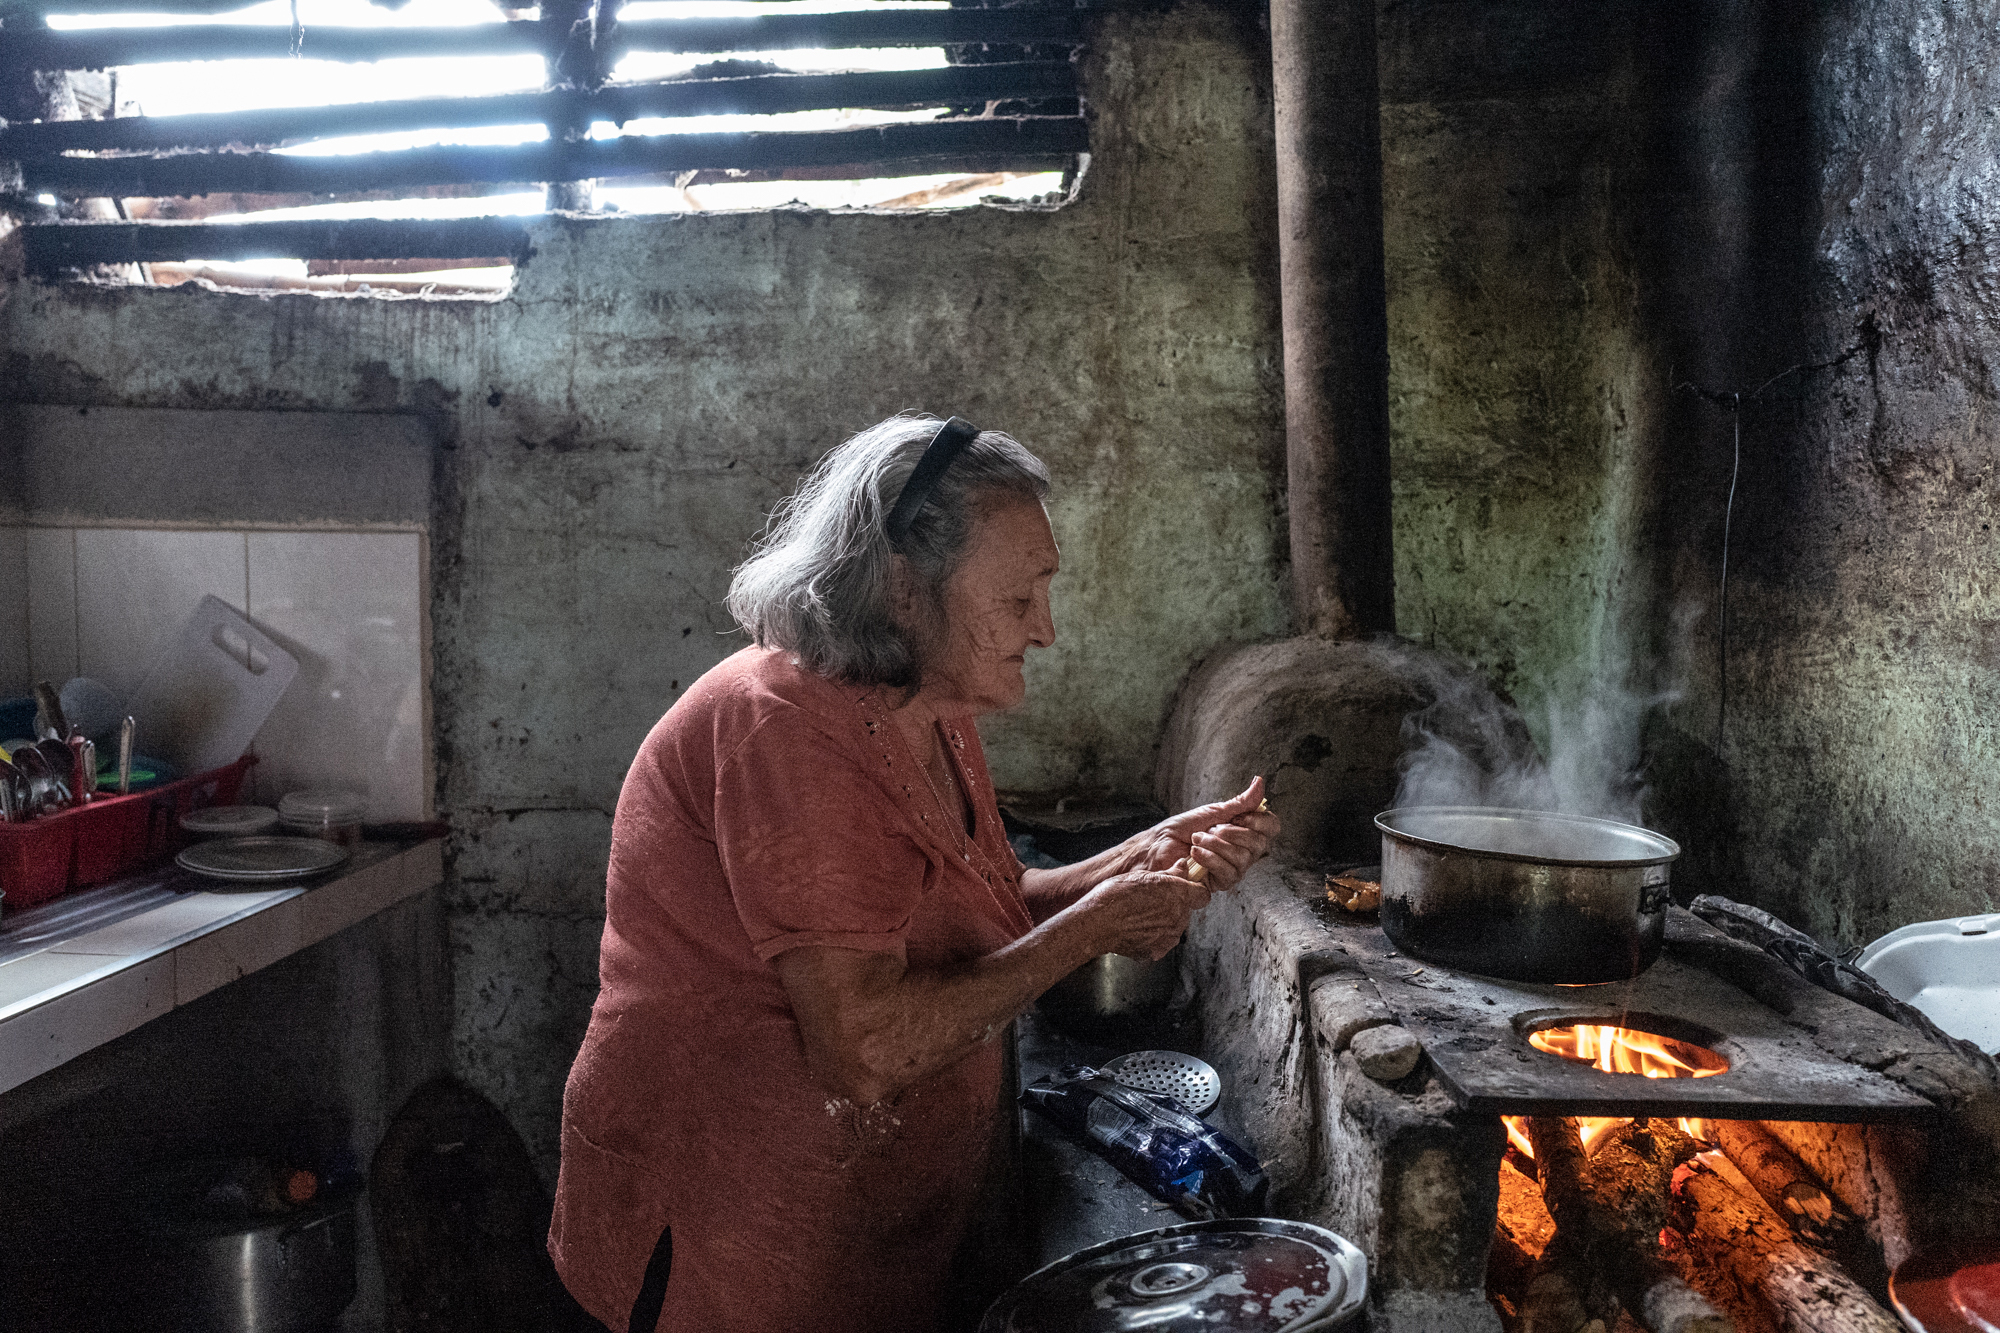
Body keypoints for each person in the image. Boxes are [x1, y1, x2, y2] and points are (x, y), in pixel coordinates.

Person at [548, 413, 1280, 1333]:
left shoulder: (921, 698)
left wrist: (1139, 859)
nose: (1046, 630)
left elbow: (980, 908)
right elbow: (865, 1050)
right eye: (1018, 602)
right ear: (904, 588)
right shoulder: (789, 733)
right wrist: (1099, 925)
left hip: (852, 1222)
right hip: (729, 1227)